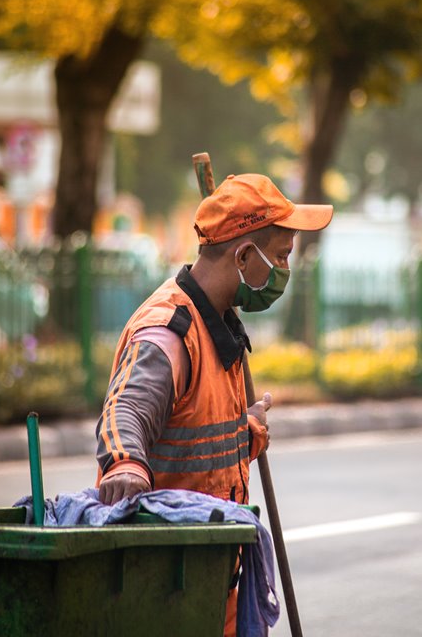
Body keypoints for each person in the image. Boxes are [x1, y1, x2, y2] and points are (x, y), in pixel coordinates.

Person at [95, 172, 333, 636]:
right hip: (161, 588)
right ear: (244, 256)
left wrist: (244, 430)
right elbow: (128, 407)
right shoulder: (170, 329)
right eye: (282, 257)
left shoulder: (219, 325)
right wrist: (124, 462)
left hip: (209, 582)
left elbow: (193, 435)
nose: (286, 270)